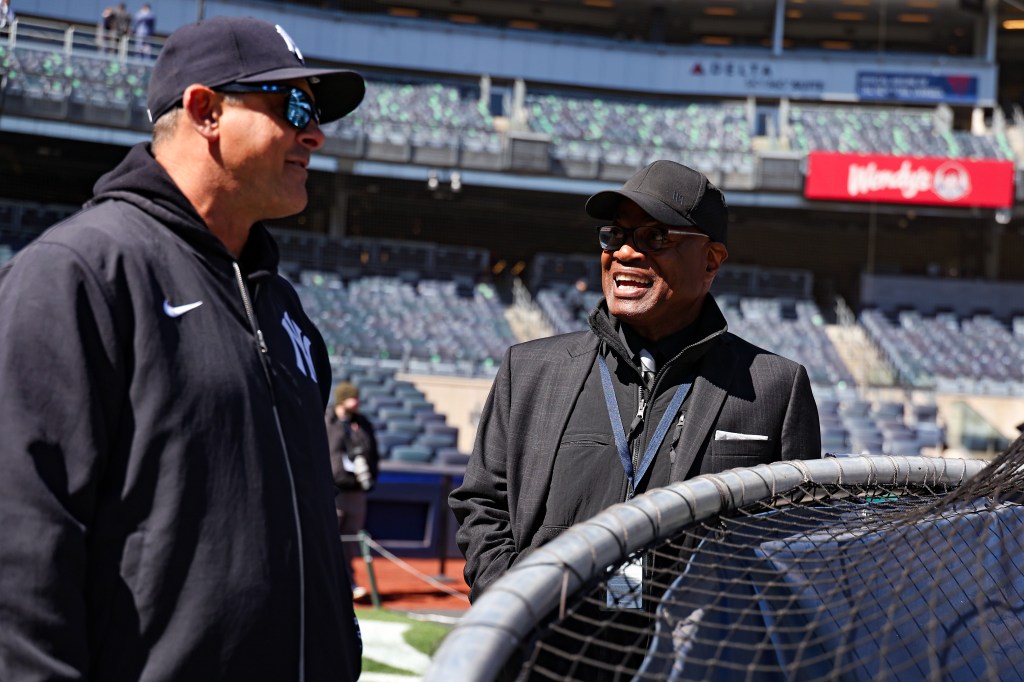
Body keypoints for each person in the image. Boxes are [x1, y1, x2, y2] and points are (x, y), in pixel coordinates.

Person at [0, 15, 366, 682]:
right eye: (292, 106)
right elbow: (19, 547)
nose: (314, 133)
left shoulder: (283, 308)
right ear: (205, 111)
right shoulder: (78, 273)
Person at [450, 160, 821, 602]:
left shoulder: (775, 385)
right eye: (615, 236)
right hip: (549, 653)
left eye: (656, 236)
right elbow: (482, 506)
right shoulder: (529, 370)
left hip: (688, 659)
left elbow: (795, 540)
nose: (625, 252)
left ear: (710, 261)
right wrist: (515, 602)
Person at [326, 381, 381, 600]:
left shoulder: (362, 424)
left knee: (350, 542)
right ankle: (325, 584)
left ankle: (348, 582)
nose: (357, 402)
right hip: (333, 491)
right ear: (342, 399)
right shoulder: (326, 421)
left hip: (356, 491)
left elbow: (373, 454)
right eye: (352, 398)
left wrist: (371, 479)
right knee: (328, 539)